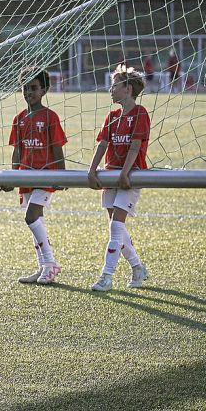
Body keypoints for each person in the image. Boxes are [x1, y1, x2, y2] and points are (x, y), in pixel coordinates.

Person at [87, 64, 151, 292]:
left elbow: (135, 146)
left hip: (130, 177)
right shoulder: (112, 116)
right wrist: (92, 170)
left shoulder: (140, 113)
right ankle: (138, 268)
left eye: (115, 86)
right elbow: (102, 144)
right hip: (111, 175)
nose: (110, 90)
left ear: (128, 89)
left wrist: (125, 172)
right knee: (118, 229)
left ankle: (106, 277)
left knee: (116, 227)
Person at [1, 71, 67, 285]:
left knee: (31, 217)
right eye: (25, 88)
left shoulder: (50, 117)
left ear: (44, 90)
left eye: (34, 88)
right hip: (26, 177)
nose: (29, 92)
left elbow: (57, 148)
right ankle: (42, 267)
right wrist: (12, 176)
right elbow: (17, 151)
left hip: (46, 176)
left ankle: (50, 264)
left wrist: (61, 175)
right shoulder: (19, 118)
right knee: (34, 222)